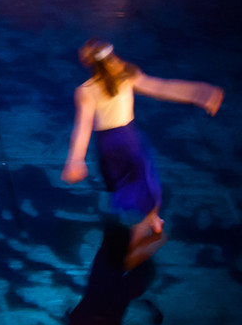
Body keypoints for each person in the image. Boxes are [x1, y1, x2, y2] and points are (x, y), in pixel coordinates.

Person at [62, 40, 223, 268]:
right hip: (128, 141)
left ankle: (149, 221)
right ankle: (146, 226)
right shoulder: (126, 75)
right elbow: (162, 88)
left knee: (130, 184)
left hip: (108, 147)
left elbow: (83, 128)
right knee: (145, 183)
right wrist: (197, 92)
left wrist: (75, 160)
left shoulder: (86, 90)